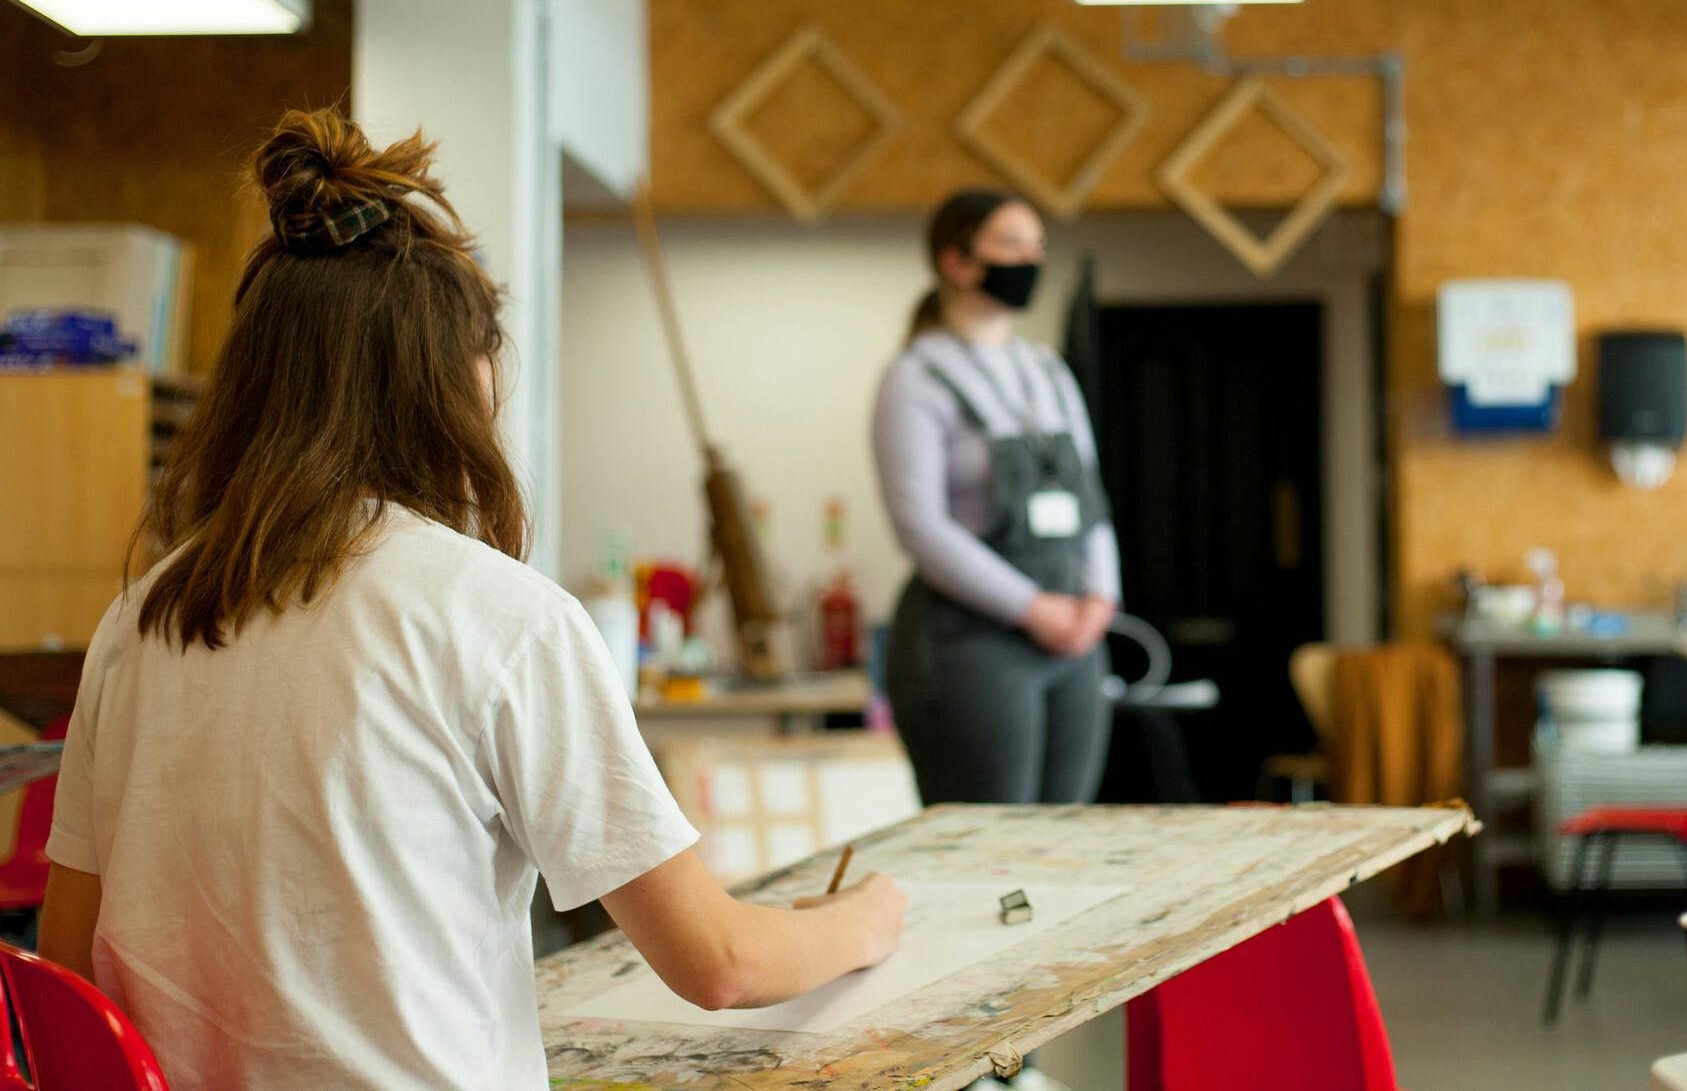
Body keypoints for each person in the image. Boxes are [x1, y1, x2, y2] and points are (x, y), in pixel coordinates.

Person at [38, 109, 904, 1090]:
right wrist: (861, 921)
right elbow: (720, 963)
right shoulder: (498, 618)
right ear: (456, 382)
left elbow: (68, 971)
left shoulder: (143, 618)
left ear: (254, 384)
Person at [872, 190, 1121, 806]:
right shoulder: (916, 377)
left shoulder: (1049, 372)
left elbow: (1092, 499)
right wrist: (1034, 609)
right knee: (993, 840)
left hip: (1076, 639)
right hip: (973, 641)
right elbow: (920, 528)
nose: (1031, 258)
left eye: (1037, 245)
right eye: (1012, 244)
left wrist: (1101, 597)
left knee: (1065, 837)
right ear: (956, 262)